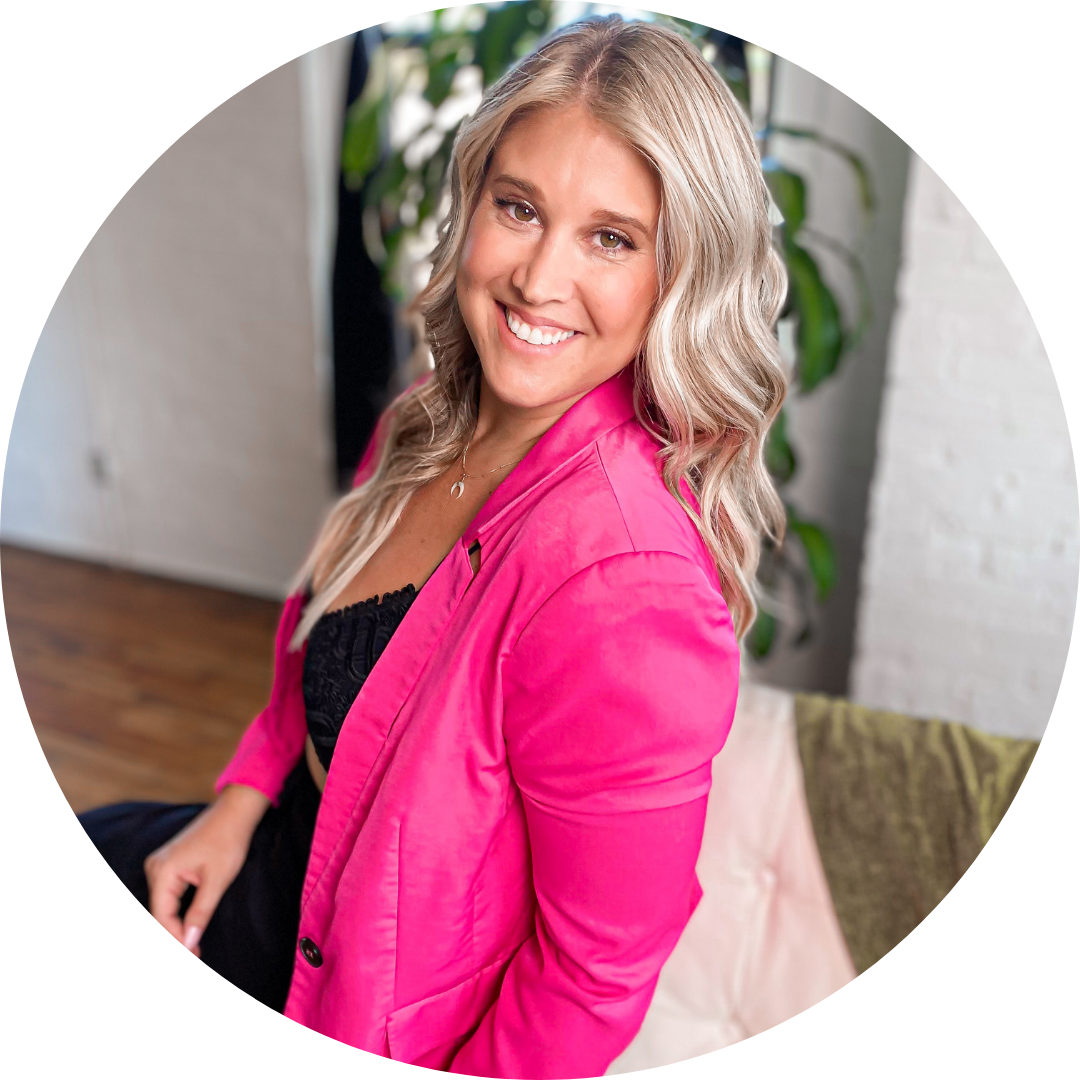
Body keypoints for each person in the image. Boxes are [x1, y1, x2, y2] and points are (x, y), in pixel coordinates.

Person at [79, 16, 787, 1078]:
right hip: (279, 867)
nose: (537, 278)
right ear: (474, 204)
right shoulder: (430, 418)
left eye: (611, 238)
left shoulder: (628, 586)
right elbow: (317, 663)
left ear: (681, 273)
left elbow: (591, 979)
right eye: (519, 208)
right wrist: (239, 802)